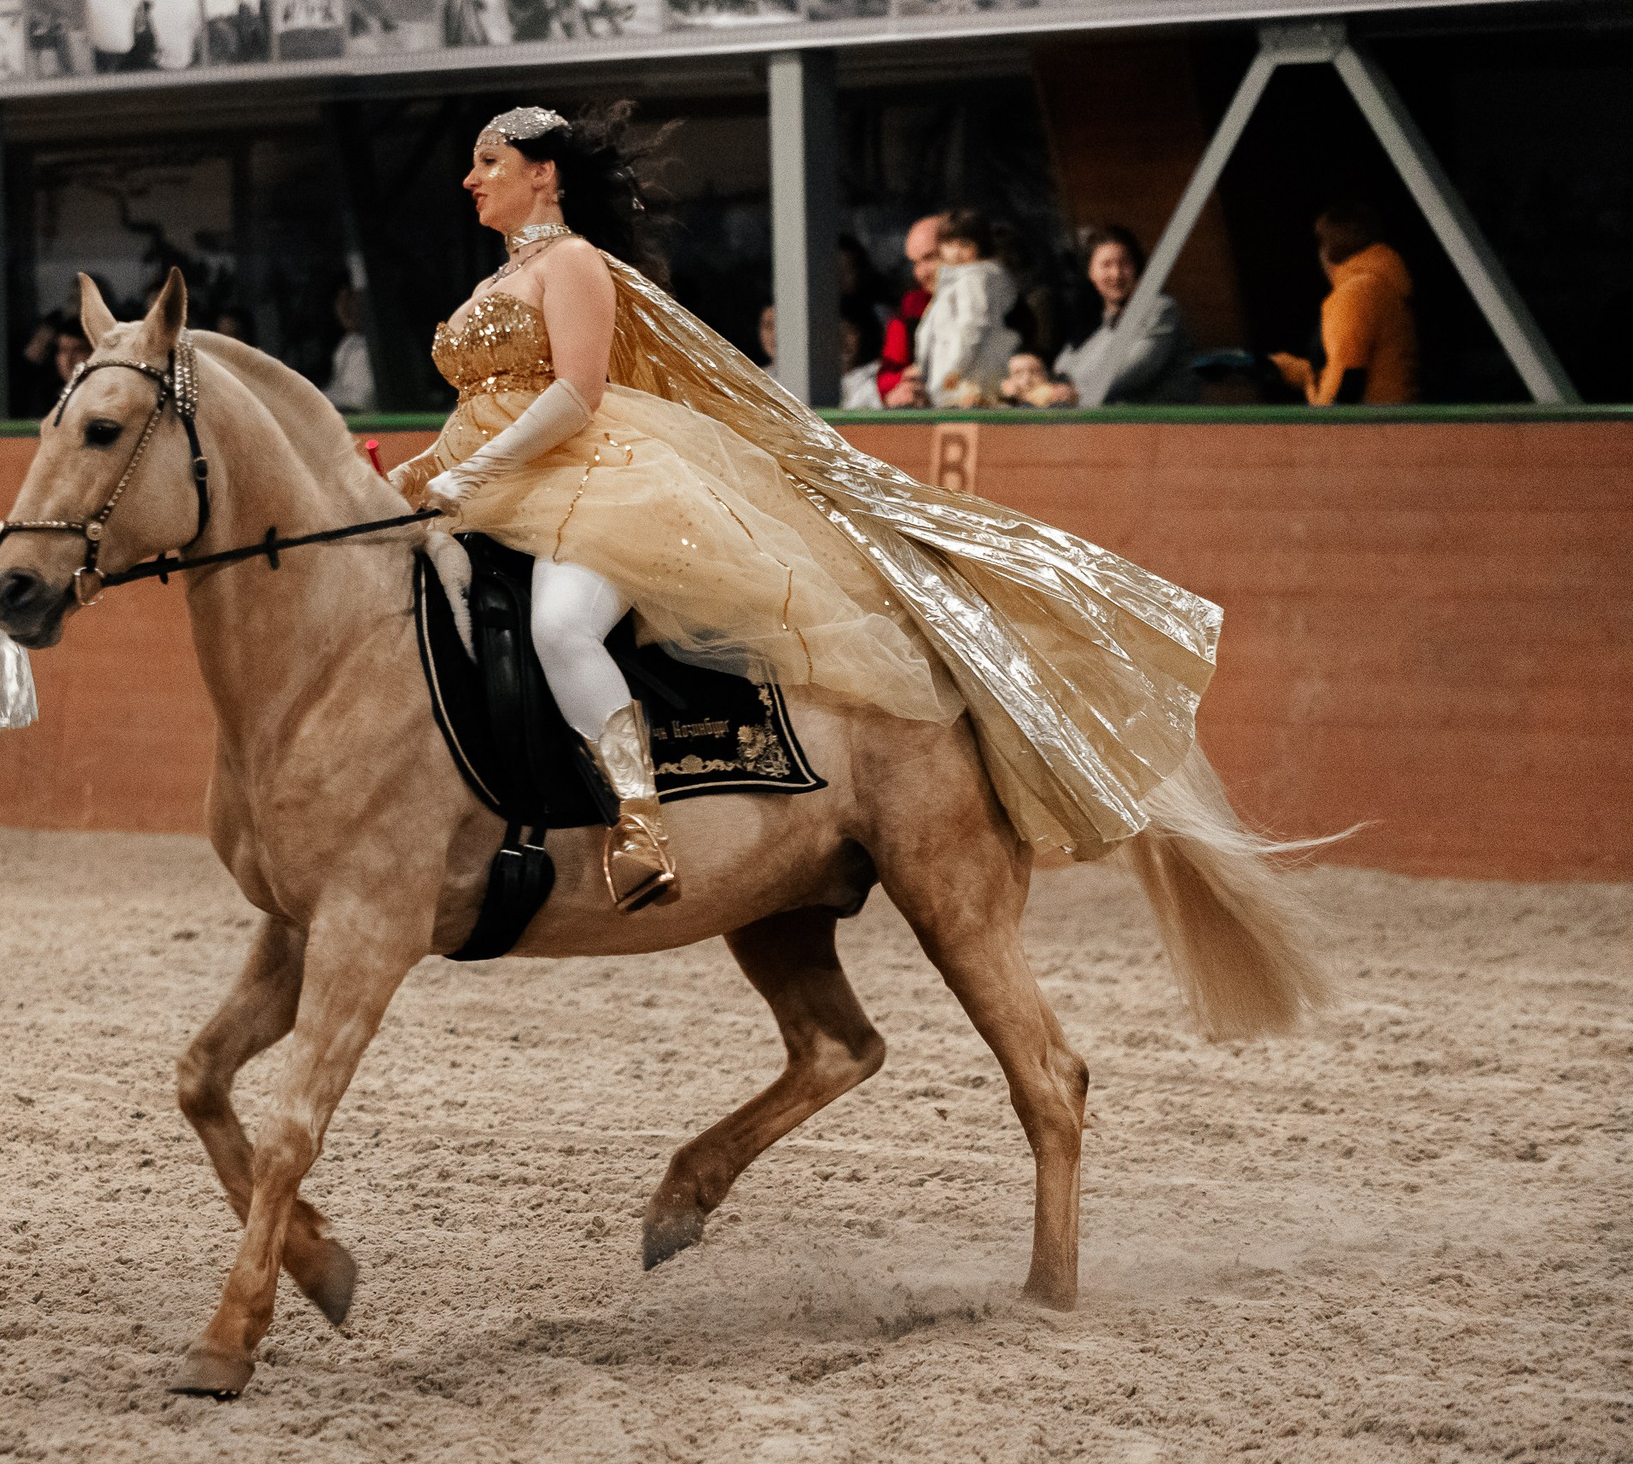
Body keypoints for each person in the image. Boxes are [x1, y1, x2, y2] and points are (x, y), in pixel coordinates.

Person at [392, 104, 1220, 902]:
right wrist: (426, 466)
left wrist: (474, 471)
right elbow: (486, 404)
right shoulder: (494, 280)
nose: (469, 179)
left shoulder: (573, 262)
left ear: (543, 175)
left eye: (488, 162)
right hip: (497, 480)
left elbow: (576, 391)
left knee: (561, 627)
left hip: (585, 478)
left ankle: (639, 820)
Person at [1271, 200, 1418, 406]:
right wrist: (1272, 366)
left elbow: (1347, 372)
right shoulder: (1383, 285)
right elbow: (1335, 368)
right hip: (1389, 422)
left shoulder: (1357, 292)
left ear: (1328, 249)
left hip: (1372, 428)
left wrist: (1327, 429)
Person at [1050, 225, 1198, 406]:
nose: (1116, 274)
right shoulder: (1103, 319)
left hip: (1165, 427)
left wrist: (1075, 392)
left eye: (1124, 263)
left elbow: (1135, 369)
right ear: (1091, 273)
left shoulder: (1159, 309)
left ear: (1137, 268)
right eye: (1106, 265)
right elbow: (1064, 367)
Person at [905, 207, 1019, 406]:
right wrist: (922, 368)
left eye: (965, 244)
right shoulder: (952, 284)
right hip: (949, 386)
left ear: (979, 247)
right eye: (949, 244)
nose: (956, 252)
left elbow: (972, 328)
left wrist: (951, 372)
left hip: (970, 386)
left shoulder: (975, 279)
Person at [877, 214, 942, 406]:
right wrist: (906, 381)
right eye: (915, 263)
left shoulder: (995, 301)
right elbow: (887, 378)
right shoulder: (910, 310)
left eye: (930, 258)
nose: (921, 273)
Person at [324, 285, 375, 414]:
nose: (344, 308)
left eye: (351, 298)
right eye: (340, 299)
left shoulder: (371, 348)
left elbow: (359, 401)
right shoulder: (349, 342)